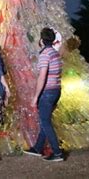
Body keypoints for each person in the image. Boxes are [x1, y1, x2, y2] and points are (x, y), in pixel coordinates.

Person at [24, 28, 64, 162]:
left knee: (45, 122)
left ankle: (57, 152)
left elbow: (42, 77)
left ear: (41, 40)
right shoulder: (55, 53)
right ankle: (37, 148)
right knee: (44, 119)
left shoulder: (45, 54)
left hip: (47, 92)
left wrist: (35, 97)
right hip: (56, 90)